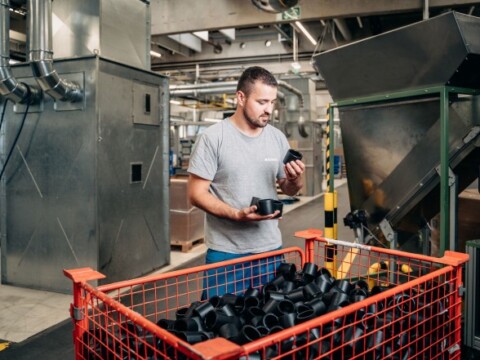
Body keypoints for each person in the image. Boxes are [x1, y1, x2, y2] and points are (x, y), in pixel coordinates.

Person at [187, 66, 305, 297]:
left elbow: (289, 188)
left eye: (272, 102)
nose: (268, 110)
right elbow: (195, 194)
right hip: (226, 253)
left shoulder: (277, 138)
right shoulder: (213, 138)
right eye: (262, 102)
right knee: (220, 323)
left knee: (269, 321)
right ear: (240, 97)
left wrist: (295, 178)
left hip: (270, 249)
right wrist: (236, 214)